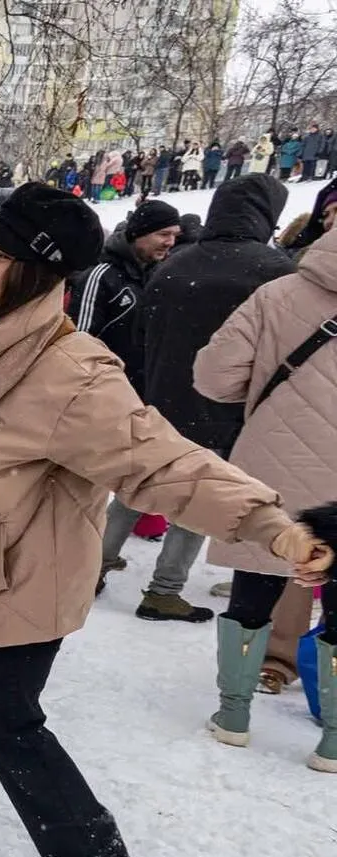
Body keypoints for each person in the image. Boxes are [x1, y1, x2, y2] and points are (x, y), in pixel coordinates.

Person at [0, 183, 328, 857]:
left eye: (0, 256)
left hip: (26, 572)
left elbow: (163, 462)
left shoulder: (69, 372)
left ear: (39, 274)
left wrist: (268, 522)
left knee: (5, 714)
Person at [104, 175, 296, 624]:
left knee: (137, 485)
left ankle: (97, 563)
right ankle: (164, 590)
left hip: (160, 399)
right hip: (225, 409)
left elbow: (141, 334)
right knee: (199, 495)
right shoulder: (274, 270)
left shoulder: (175, 263)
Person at [192, 224, 337, 770]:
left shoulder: (276, 294)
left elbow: (213, 377)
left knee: (254, 584)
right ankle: (333, 740)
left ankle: (234, 715)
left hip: (273, 462)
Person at [70, 198, 181, 393]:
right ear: (138, 234)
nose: (170, 242)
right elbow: (78, 342)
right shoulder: (101, 276)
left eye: (174, 235)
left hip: (142, 387)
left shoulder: (161, 274)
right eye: (163, 234)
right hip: (104, 389)